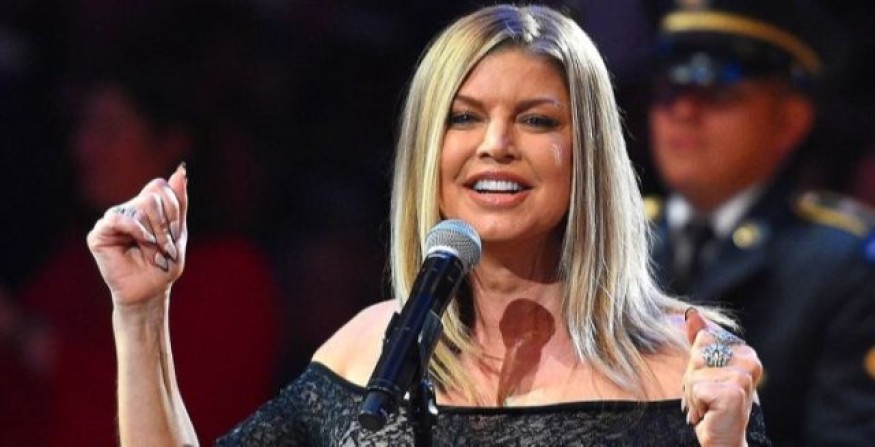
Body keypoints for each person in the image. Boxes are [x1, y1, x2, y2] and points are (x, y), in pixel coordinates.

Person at [87, 4, 769, 445]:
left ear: (587, 154)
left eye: (536, 120)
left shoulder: (683, 365)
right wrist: (141, 312)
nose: (494, 145)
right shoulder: (368, 351)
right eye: (463, 117)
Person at [9, 47, 283, 445]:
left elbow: (194, 418)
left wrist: (30, 340)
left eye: (107, 131)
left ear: (170, 143)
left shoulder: (232, 277)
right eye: (83, 127)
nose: (83, 147)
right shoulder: (73, 264)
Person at [645, 0, 875, 444]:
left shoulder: (844, 265)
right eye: (669, 89)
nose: (683, 111)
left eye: (717, 92)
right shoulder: (613, 240)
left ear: (789, 119)